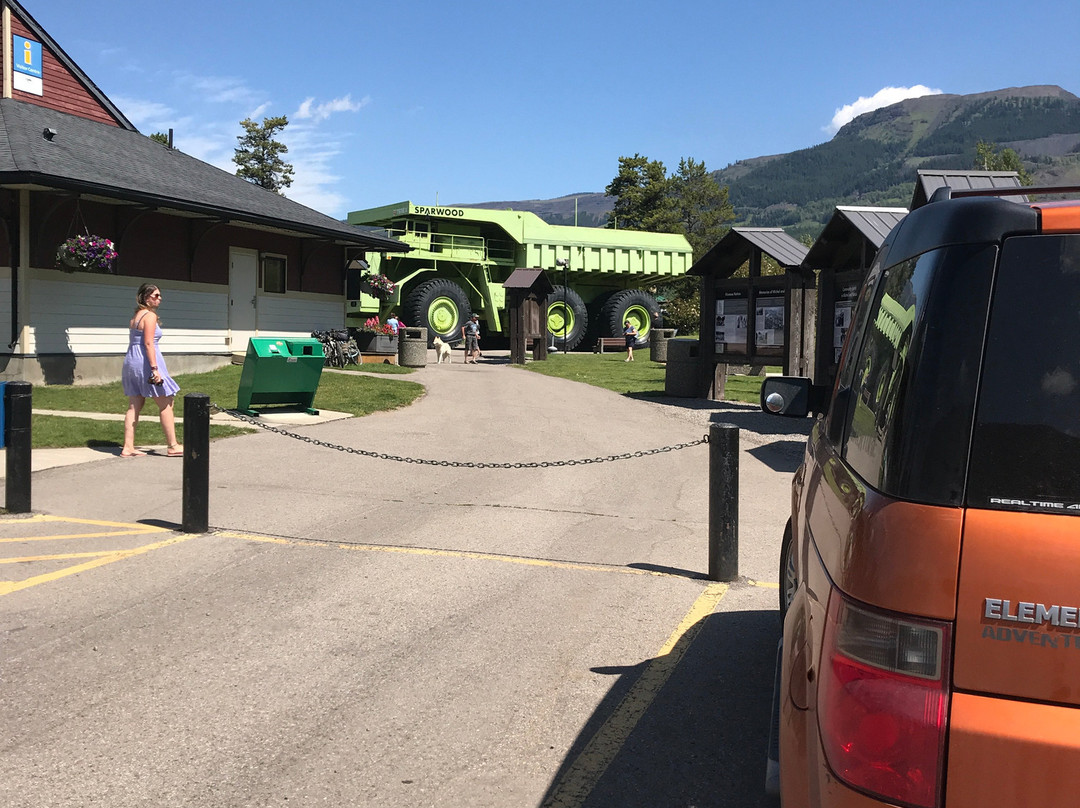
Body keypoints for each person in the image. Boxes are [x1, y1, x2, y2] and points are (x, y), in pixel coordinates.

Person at [120, 283, 182, 457]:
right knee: (166, 402)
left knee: (134, 405)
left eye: (160, 295)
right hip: (146, 363)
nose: (159, 298)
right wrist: (155, 369)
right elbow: (148, 344)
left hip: (132, 361)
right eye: (155, 295)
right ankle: (173, 445)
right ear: (145, 297)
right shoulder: (149, 316)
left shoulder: (136, 316)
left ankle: (128, 446)